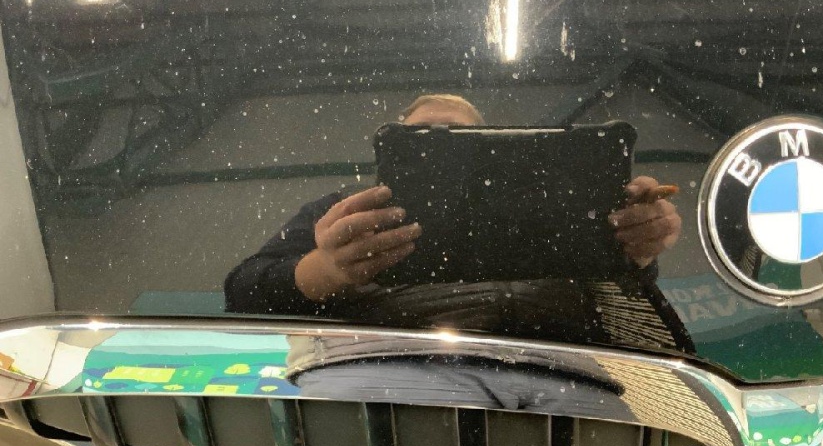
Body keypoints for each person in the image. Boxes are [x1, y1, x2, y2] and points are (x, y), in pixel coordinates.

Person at [225, 94, 682, 324]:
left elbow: (618, 288)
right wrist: (327, 268)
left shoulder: (549, 203)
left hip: (550, 378)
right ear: (392, 151)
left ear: (487, 148)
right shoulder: (343, 212)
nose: (438, 147)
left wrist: (639, 247)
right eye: (421, 137)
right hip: (386, 383)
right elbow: (244, 292)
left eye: (456, 138)